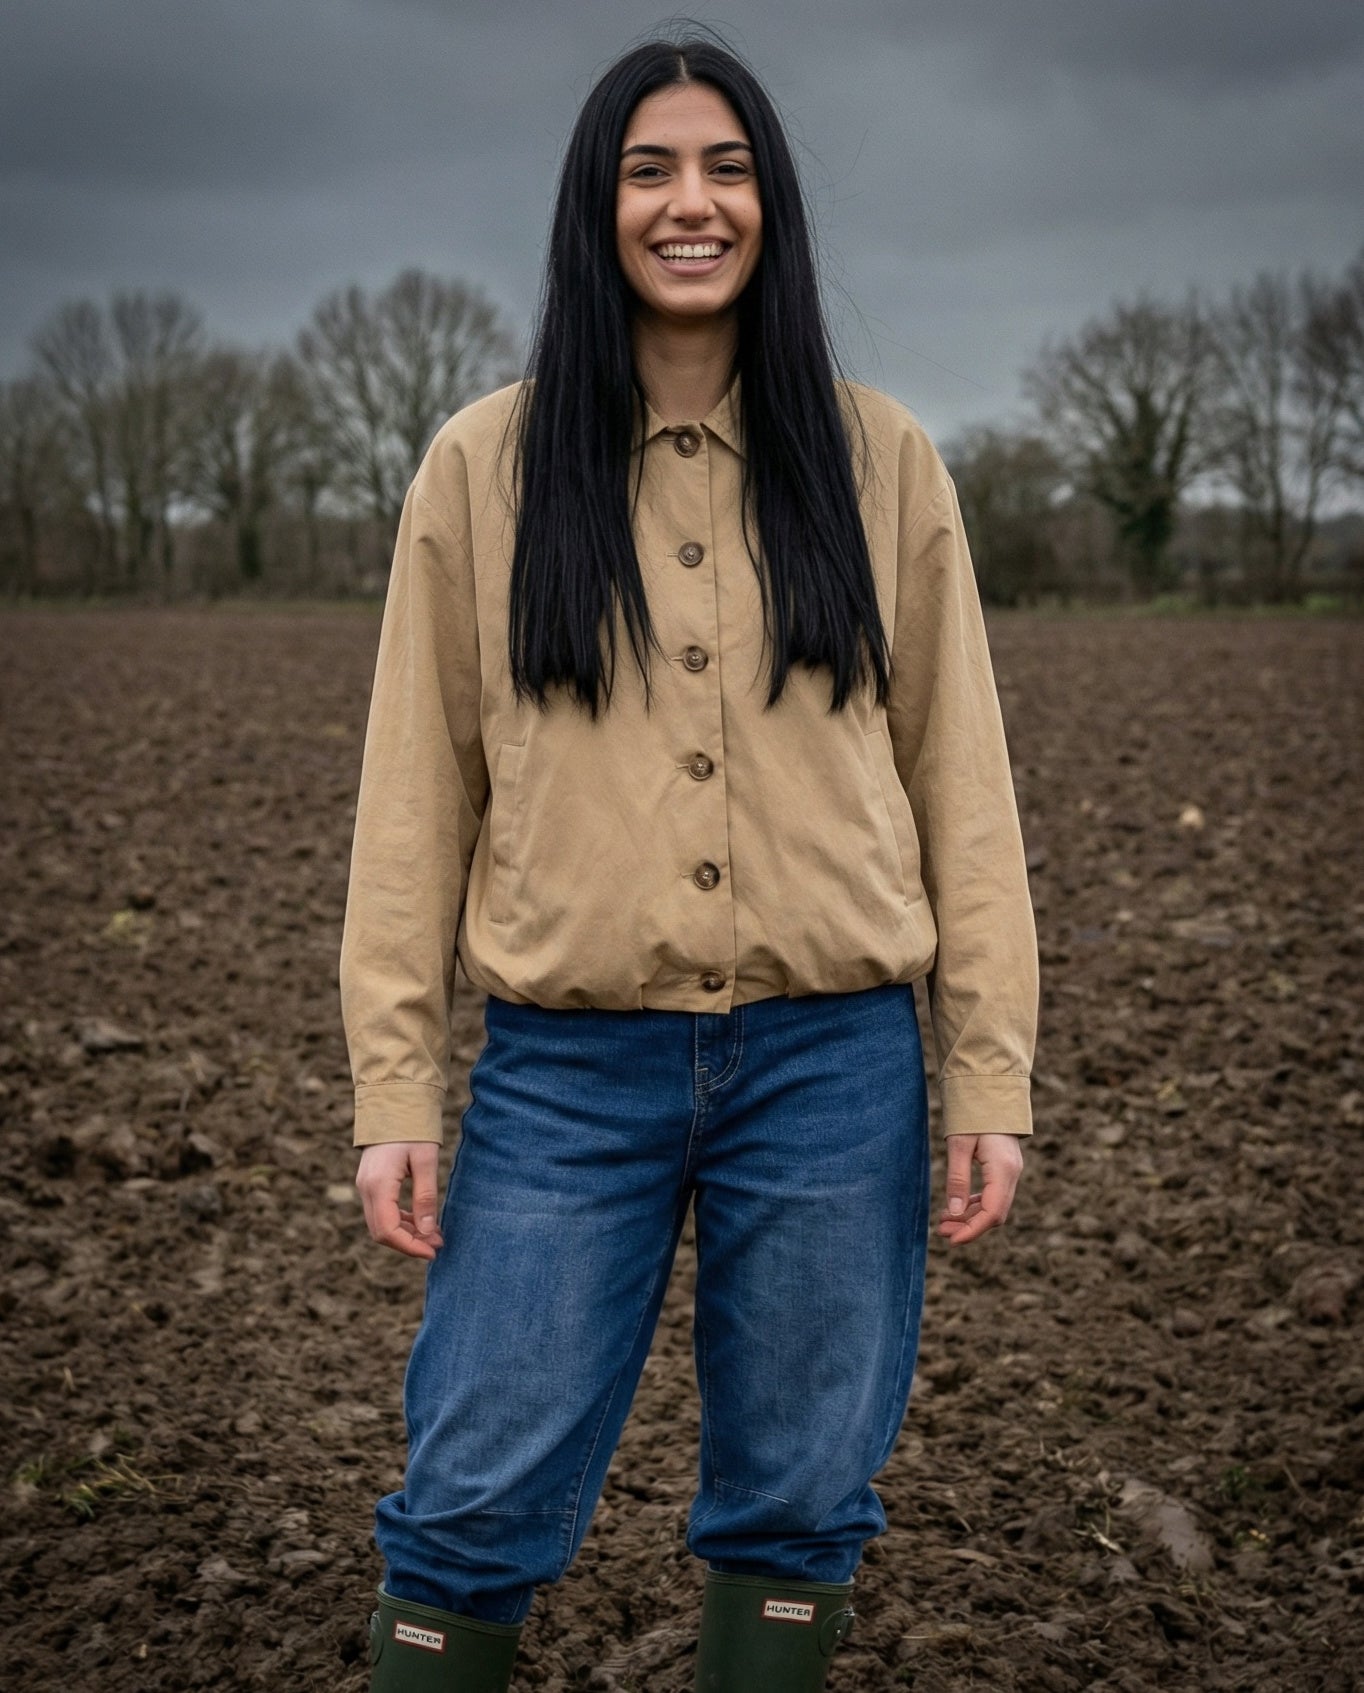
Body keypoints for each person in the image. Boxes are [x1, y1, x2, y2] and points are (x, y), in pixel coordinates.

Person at [339, 30, 1038, 1693]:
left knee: (800, 1496)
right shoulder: (482, 469)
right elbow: (411, 801)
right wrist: (396, 1086)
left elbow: (966, 784)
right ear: (599, 207)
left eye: (724, 168)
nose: (690, 203)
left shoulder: (882, 464)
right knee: (473, 1487)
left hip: (836, 1062)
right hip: (565, 1074)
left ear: (771, 206)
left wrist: (988, 1067)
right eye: (651, 170)